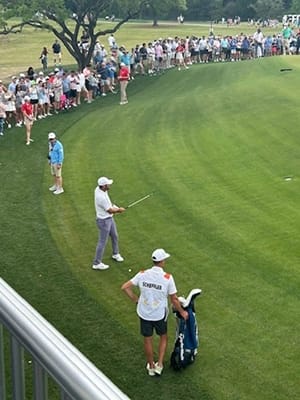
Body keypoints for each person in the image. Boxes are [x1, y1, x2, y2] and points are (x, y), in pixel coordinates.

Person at [121, 248, 188, 376]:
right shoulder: (167, 278)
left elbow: (125, 287)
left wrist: (136, 300)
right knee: (163, 336)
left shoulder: (142, 274)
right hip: (159, 314)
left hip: (144, 313)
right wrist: (182, 312)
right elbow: (174, 299)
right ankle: (160, 364)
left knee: (148, 339)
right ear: (162, 261)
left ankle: (151, 365)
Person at [92, 177, 125, 270]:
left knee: (115, 236)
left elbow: (110, 206)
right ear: (104, 186)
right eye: (108, 184)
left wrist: (116, 208)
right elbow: (110, 210)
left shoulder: (99, 189)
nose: (110, 185)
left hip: (108, 219)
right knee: (102, 242)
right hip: (104, 221)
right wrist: (119, 210)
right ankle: (96, 263)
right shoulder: (101, 197)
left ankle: (116, 254)